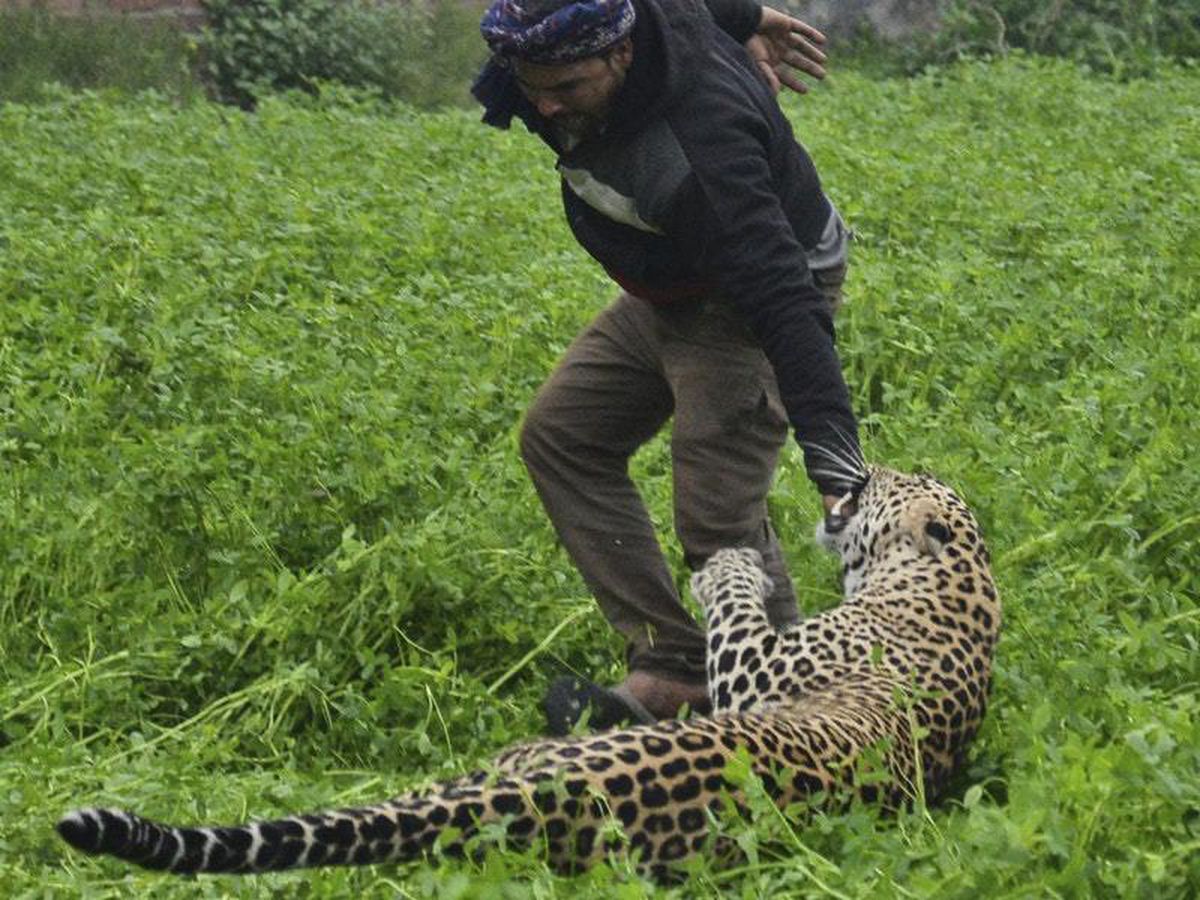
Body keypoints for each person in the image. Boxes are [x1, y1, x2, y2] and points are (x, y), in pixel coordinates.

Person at [473, 0, 863, 733]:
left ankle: (795, 718)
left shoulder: (702, 147)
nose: (546, 104)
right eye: (531, 84)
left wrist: (837, 466)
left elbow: (784, 301)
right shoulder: (554, 49)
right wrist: (739, 15)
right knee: (563, 437)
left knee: (718, 521)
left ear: (620, 55)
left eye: (567, 87)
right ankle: (679, 667)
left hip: (749, 300)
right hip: (670, 287)